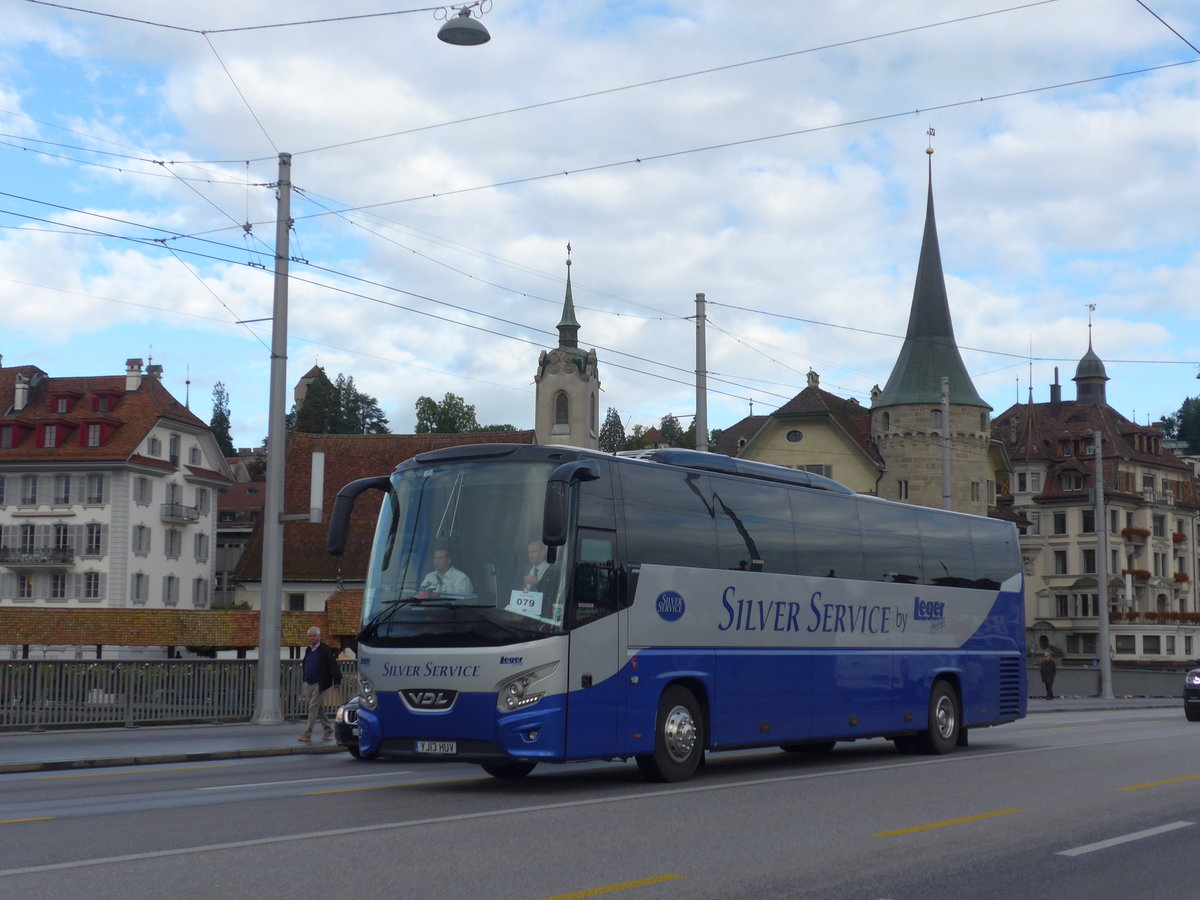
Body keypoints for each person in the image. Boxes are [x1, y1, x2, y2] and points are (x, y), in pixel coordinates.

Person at [298, 626, 342, 743]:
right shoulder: (308, 650)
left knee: (313, 706)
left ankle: (307, 733)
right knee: (318, 707)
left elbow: (333, 665)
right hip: (309, 682)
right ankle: (328, 729)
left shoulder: (325, 649)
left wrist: (337, 680)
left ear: (318, 637)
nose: (312, 638)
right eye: (310, 636)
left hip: (320, 682)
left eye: (314, 636)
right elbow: (306, 662)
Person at [518, 541, 559, 618]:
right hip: (524, 615)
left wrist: (538, 583)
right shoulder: (526, 570)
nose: (531, 556)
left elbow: (552, 594)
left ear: (543, 553)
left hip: (543, 617)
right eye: (529, 553)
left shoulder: (553, 571)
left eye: (534, 552)